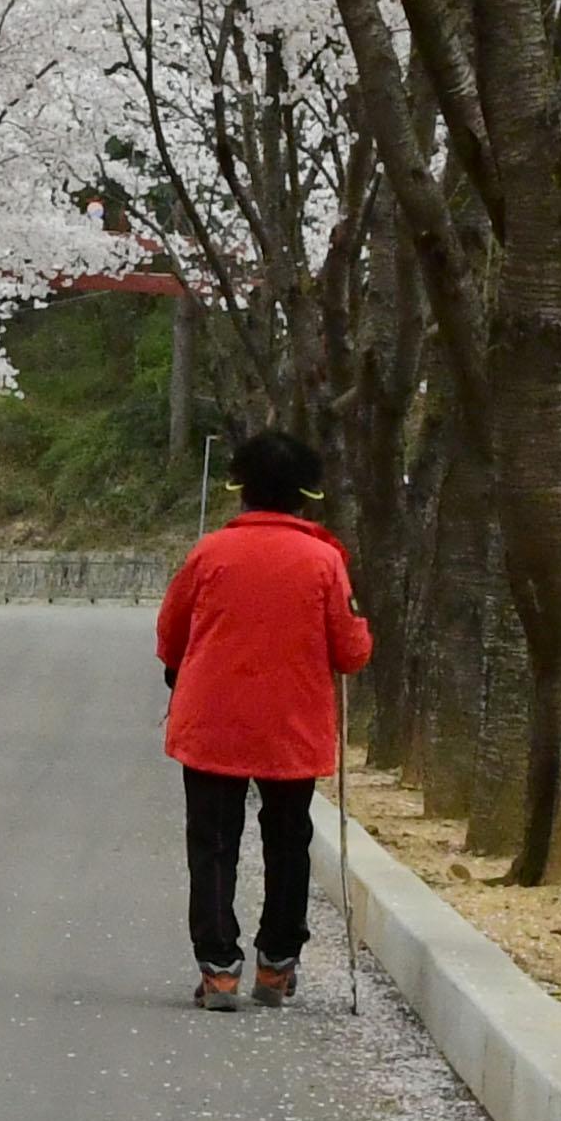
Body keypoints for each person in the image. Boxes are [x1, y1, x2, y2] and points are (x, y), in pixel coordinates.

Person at [154, 428, 371, 1011]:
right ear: (306, 496)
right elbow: (351, 652)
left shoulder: (208, 554)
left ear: (242, 491)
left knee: (214, 843)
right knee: (287, 840)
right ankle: (277, 964)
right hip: (291, 727)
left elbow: (170, 636)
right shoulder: (326, 560)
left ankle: (219, 967)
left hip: (212, 723)